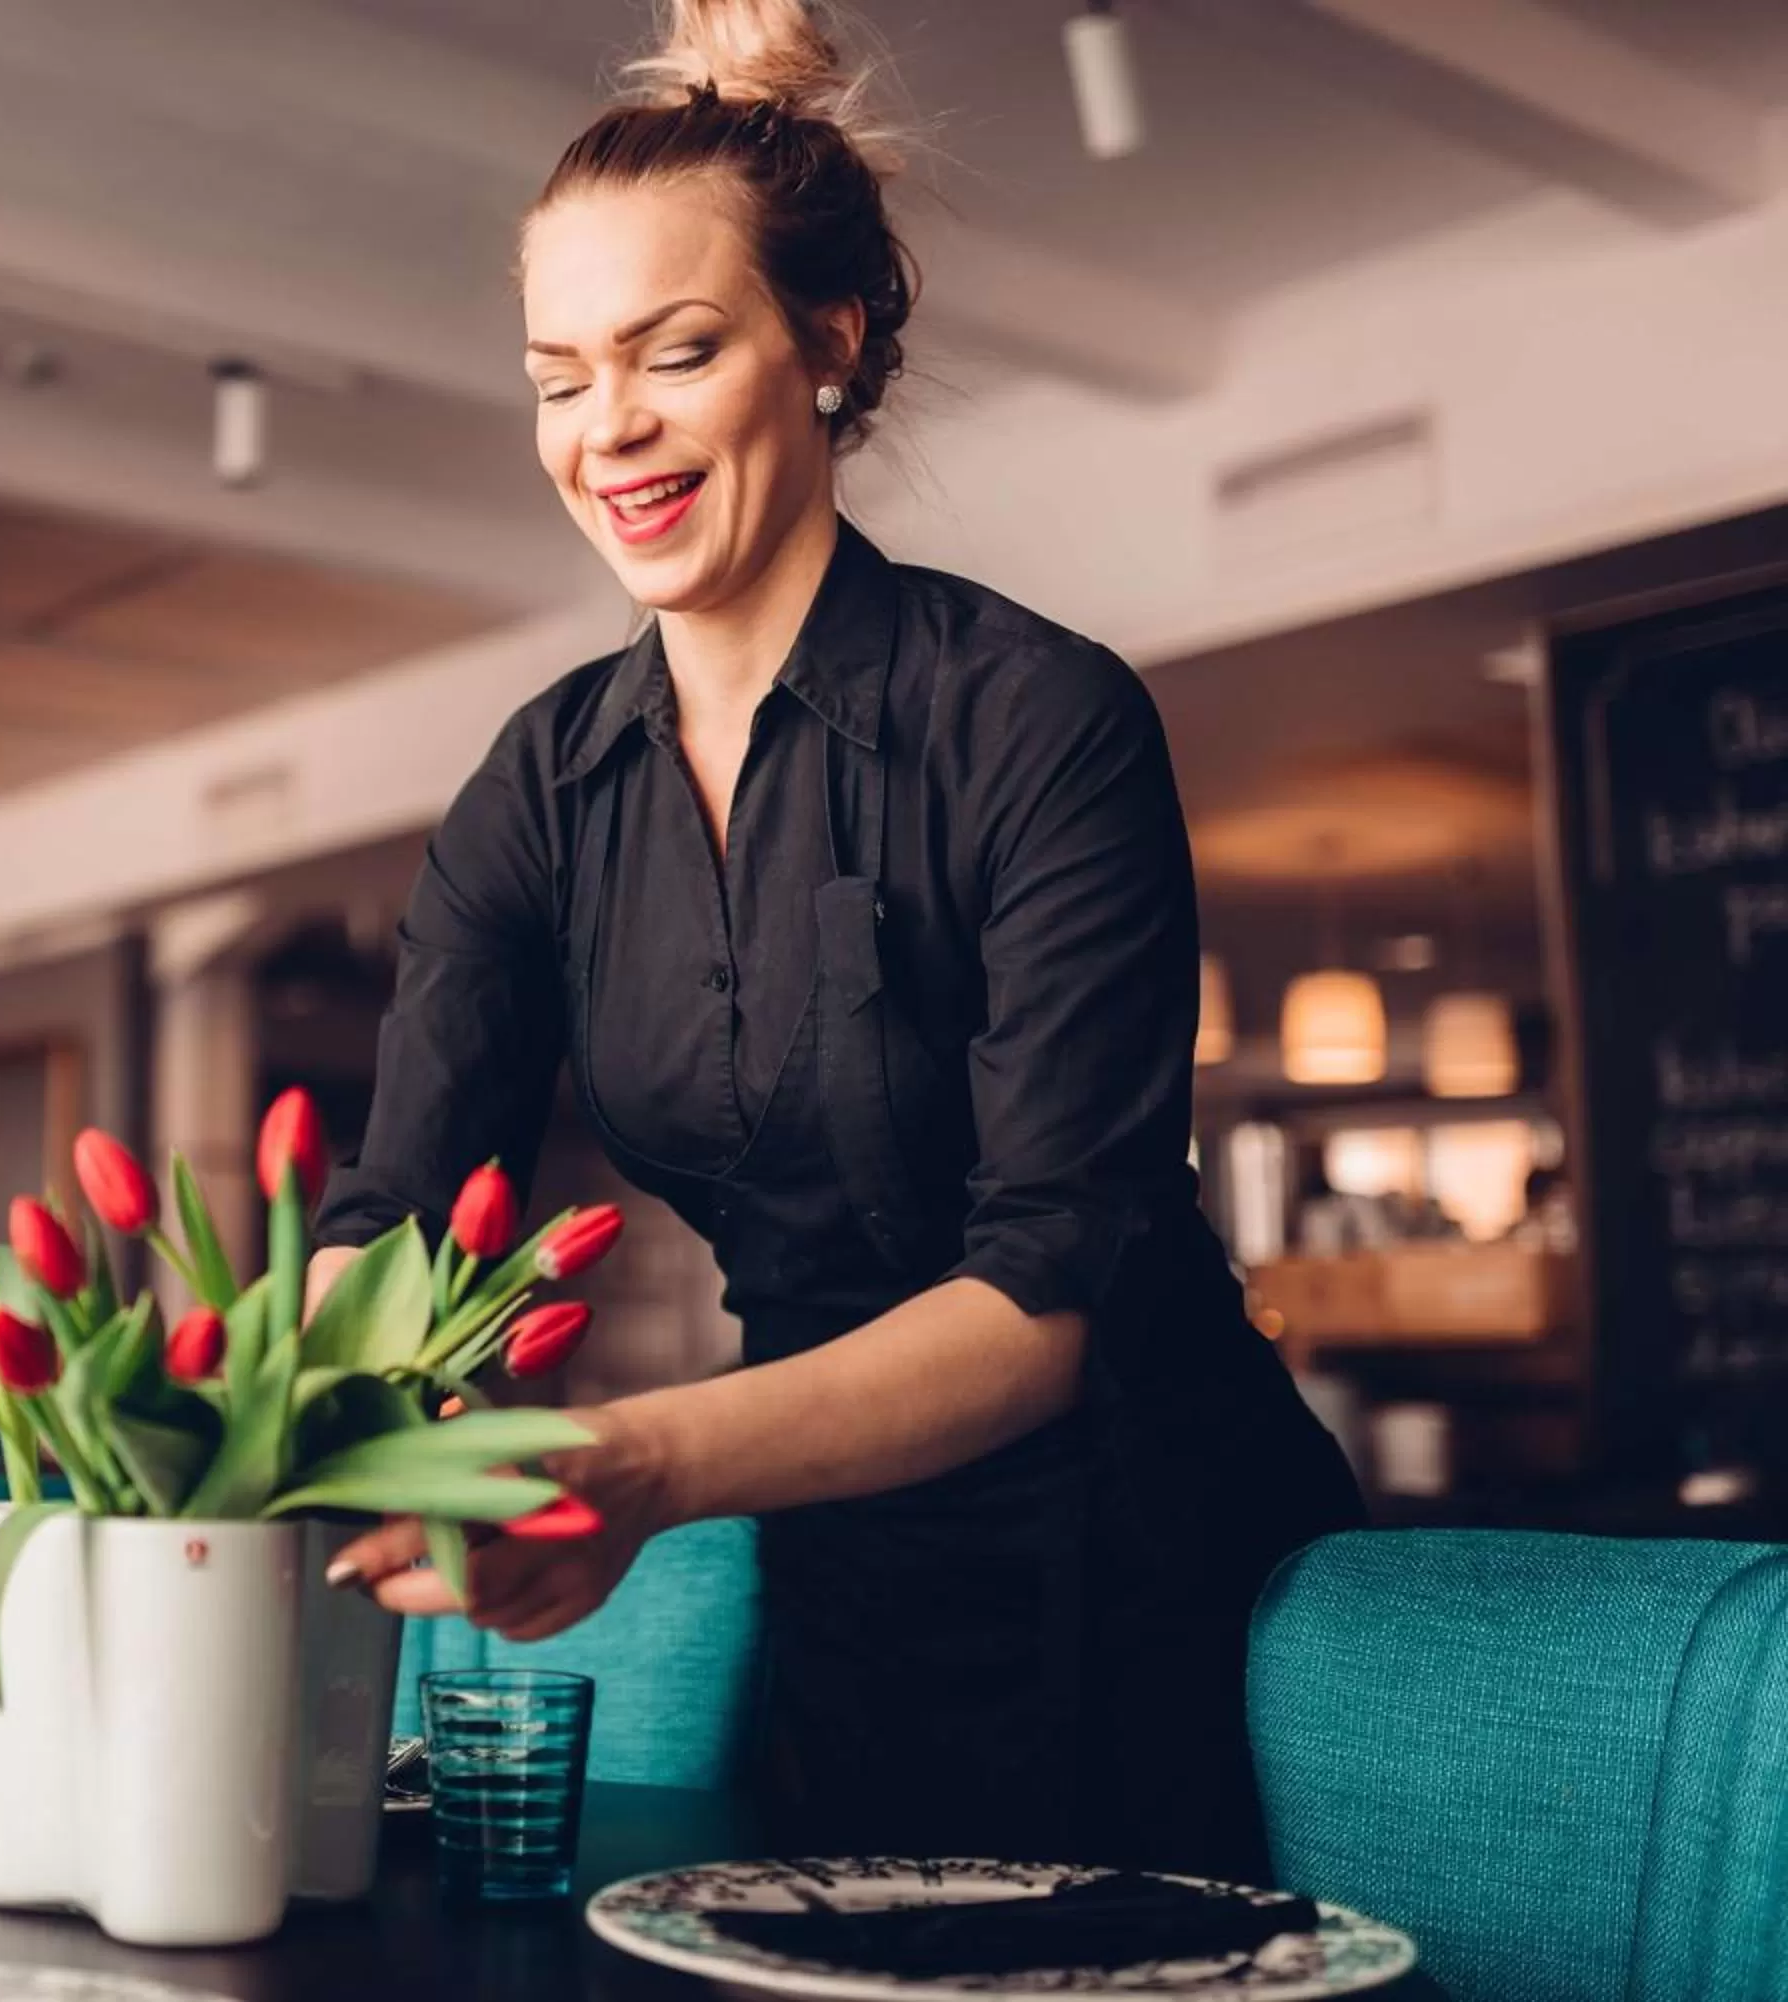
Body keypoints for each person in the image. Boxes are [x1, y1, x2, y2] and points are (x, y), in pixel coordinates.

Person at [308, 0, 1362, 1882]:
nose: (605, 429)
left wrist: (631, 1463)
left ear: (828, 344)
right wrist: (309, 1427)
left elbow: (1051, 1296)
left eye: (674, 352)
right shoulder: (542, 788)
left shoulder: (1042, 720)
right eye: (557, 376)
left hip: (1149, 1546)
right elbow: (391, 1216)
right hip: (841, 1545)